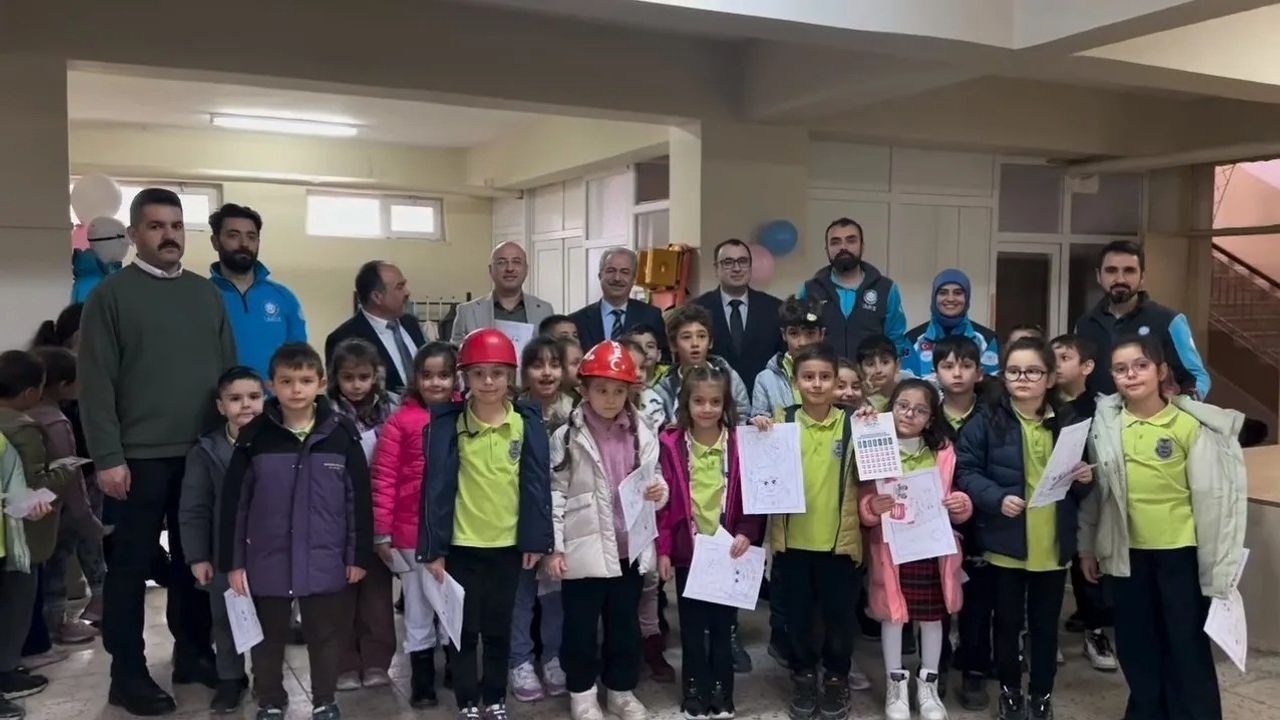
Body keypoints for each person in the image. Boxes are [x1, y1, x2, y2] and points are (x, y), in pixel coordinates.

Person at [79, 188, 235, 714]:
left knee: (195, 562)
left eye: (176, 225)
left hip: (201, 453)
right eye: (156, 226)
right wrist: (107, 457)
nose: (169, 235)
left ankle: (193, 654)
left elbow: (228, 371)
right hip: (137, 458)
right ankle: (127, 674)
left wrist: (232, 441)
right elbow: (95, 382)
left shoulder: (205, 294)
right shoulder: (111, 297)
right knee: (130, 569)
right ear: (133, 234)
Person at [1079, 335, 1246, 720]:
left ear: (1161, 371)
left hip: (1180, 553)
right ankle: (1147, 710)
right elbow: (1098, 494)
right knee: (1137, 643)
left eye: (1140, 366)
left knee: (1185, 642)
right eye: (1120, 369)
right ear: (1112, 377)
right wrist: (1088, 546)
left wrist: (1220, 559)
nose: (1131, 375)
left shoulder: (1188, 425)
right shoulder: (1107, 426)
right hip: (1126, 553)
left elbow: (1212, 498)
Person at [219, 343, 373, 720]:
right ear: (272, 385)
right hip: (266, 561)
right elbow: (235, 505)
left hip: (325, 559)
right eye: (286, 381)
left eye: (305, 380)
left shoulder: (341, 433)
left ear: (321, 383)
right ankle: (270, 698)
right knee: (268, 638)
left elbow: (358, 501)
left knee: (325, 635)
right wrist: (234, 563)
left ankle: (324, 698)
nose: (296, 389)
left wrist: (357, 556)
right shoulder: (254, 436)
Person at [419, 329, 554, 720]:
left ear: (510, 375)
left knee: (499, 628)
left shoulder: (525, 423)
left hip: (507, 547)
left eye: (497, 373)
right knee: (463, 631)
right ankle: (466, 700)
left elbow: (536, 486)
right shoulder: (450, 425)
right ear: (465, 377)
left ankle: (495, 697)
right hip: (462, 546)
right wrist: (434, 550)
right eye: (478, 374)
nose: (489, 382)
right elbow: (435, 491)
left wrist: (536, 540)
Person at [956, 338, 1094, 720]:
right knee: (1006, 624)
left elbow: (1082, 482)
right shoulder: (987, 419)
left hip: (1052, 544)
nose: (1023, 378)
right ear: (1003, 376)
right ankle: (1010, 692)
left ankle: (1042, 695)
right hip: (1006, 543)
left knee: (1045, 628)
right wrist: (996, 498)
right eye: (1014, 371)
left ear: (1049, 378)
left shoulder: (1068, 420)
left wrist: (1085, 478)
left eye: (1033, 371)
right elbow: (966, 471)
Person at [545, 341, 668, 720]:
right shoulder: (567, 437)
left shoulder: (642, 432)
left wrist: (659, 492)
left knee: (624, 626)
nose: (611, 399)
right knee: (580, 627)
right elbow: (555, 494)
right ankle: (582, 693)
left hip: (628, 548)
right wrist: (555, 547)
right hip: (584, 550)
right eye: (601, 390)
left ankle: (620, 689)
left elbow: (655, 477)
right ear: (584, 389)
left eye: (619, 390)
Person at [750, 343, 863, 720]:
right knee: (796, 619)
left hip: (839, 545)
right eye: (808, 377)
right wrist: (758, 430)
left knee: (839, 620)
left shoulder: (855, 423)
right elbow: (759, 471)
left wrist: (872, 422)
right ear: (795, 382)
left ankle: (836, 678)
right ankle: (803, 674)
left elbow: (877, 474)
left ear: (836, 381)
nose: (817, 384)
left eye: (825, 377)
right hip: (792, 544)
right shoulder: (780, 422)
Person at [858, 379, 972, 720]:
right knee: (893, 616)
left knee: (933, 617)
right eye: (902, 406)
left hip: (932, 549)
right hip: (891, 549)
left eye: (920, 410)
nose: (909, 414)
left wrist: (960, 504)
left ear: (931, 418)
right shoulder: (875, 444)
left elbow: (958, 495)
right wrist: (870, 507)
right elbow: (862, 496)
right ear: (890, 407)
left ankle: (928, 686)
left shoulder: (943, 452)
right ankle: (895, 686)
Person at [655, 364, 764, 720]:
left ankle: (721, 691)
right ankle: (693, 689)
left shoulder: (739, 443)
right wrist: (664, 551)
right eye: (699, 401)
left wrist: (747, 531)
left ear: (725, 404)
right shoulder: (670, 444)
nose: (707, 409)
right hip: (689, 555)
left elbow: (753, 493)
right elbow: (663, 506)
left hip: (728, 552)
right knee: (691, 627)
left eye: (715, 402)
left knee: (722, 626)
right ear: (686, 403)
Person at [371, 341, 459, 709]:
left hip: (456, 531)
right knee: (419, 606)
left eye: (444, 375)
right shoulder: (400, 423)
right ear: (415, 378)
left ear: (456, 378)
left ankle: (456, 663)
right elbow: (384, 478)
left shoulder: (465, 417)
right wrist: (383, 531)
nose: (435, 383)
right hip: (410, 534)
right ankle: (421, 676)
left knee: (452, 601)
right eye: (427, 375)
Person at [179, 366, 265, 714]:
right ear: (220, 406)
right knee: (226, 618)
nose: (246, 405)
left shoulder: (280, 441)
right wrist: (198, 556)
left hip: (270, 551)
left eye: (254, 397)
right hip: (224, 552)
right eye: (235, 398)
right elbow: (194, 507)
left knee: (270, 618)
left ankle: (267, 677)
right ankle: (230, 677)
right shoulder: (206, 451)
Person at [0, 350, 76, 705]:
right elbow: (31, 486)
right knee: (17, 603)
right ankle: (6, 671)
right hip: (19, 535)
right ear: (32, 392)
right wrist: (65, 471)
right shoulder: (23, 428)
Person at [325, 339, 396, 691]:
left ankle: (377, 661)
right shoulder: (324, 413)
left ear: (376, 376)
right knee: (340, 592)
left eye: (363, 377)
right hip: (338, 513)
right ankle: (344, 664)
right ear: (335, 377)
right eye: (348, 377)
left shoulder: (391, 409)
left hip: (379, 511)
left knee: (377, 593)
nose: (356, 385)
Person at [930, 335, 992, 711]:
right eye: (948, 365)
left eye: (966, 365)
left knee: (978, 600)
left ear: (979, 373)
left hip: (981, 522)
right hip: (934, 522)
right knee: (935, 598)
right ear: (935, 372)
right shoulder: (927, 416)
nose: (957, 373)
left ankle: (974, 670)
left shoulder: (993, 415)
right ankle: (934, 667)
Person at [1048, 334, 1117, 673]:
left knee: (1088, 569)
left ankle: (1095, 631)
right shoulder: (1043, 404)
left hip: (1089, 498)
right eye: (1053, 357)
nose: (1056, 364)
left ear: (1087, 366)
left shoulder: (1102, 408)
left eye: (1065, 357)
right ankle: (1045, 636)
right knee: (1049, 570)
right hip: (1051, 499)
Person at [507, 338, 571, 703]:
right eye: (537, 364)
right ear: (524, 371)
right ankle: (520, 660)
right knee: (521, 597)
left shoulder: (576, 412)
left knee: (555, 596)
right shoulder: (513, 412)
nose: (546, 373)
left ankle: (553, 658)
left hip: (562, 519)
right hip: (520, 518)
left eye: (554, 364)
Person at [25, 347, 100, 646]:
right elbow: (70, 474)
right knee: (58, 563)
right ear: (63, 385)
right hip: (57, 509)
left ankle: (45, 628)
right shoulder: (56, 422)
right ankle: (57, 625)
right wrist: (86, 517)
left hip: (29, 507)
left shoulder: (22, 414)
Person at [1075, 240, 1210, 400]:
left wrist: (1182, 405)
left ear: (1142, 277)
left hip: (1153, 414)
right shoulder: (1084, 324)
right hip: (1096, 414)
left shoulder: (1169, 321)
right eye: (1111, 271)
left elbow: (1198, 377)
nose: (1120, 279)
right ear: (1099, 276)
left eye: (1129, 271)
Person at [207, 203, 306, 380]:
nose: (244, 243)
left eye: (251, 237)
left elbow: (299, 359)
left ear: (258, 242)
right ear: (215, 242)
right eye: (233, 235)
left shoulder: (284, 297)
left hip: (274, 397)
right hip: (218, 396)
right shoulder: (201, 295)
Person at [0, 430, 56, 720]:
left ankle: (4, 674)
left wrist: (30, 505)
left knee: (13, 607)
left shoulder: (0, 441)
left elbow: (14, 485)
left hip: (4, 544)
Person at [798, 218, 908, 360]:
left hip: (871, 372)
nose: (843, 247)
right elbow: (799, 337)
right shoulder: (810, 290)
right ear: (827, 249)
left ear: (862, 246)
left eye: (851, 241)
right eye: (835, 242)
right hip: (824, 372)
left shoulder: (886, 289)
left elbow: (896, 341)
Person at [692, 239, 785, 395]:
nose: (737, 268)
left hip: (764, 400)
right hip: (712, 398)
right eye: (728, 262)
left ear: (750, 266)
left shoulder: (774, 308)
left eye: (742, 261)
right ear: (716, 268)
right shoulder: (696, 309)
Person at [325, 261, 425, 395]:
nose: (407, 292)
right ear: (377, 297)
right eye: (400, 287)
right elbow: (340, 395)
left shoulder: (410, 323)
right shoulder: (344, 338)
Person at [655, 305, 751, 427]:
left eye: (701, 336)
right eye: (686, 337)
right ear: (673, 345)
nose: (695, 343)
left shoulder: (729, 377)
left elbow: (742, 418)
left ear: (710, 342)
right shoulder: (664, 389)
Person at [568, 248, 668, 359]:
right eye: (611, 271)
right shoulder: (577, 320)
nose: (617, 278)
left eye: (625, 272)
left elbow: (664, 359)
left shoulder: (651, 316)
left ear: (634, 278)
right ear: (600, 276)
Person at [903, 269, 999, 380]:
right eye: (943, 293)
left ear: (967, 297)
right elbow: (907, 384)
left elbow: (992, 385)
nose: (950, 299)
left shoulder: (987, 339)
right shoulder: (913, 339)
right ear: (934, 297)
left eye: (958, 293)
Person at [451, 242, 555, 344]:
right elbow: (456, 352)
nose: (510, 268)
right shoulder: (468, 312)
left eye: (516, 262)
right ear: (490, 270)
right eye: (501, 262)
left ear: (526, 269)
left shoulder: (544, 310)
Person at [752, 296, 825, 419]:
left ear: (821, 334)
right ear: (783, 334)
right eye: (794, 333)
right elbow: (759, 421)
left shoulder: (838, 374)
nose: (802, 342)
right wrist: (760, 421)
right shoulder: (766, 380)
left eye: (810, 333)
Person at [857, 335, 903, 412]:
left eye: (885, 362)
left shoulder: (910, 393)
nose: (878, 370)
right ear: (860, 370)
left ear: (897, 365)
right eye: (870, 364)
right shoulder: (855, 398)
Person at [620, 325, 669, 390]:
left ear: (659, 355)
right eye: (638, 347)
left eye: (650, 346)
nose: (644, 351)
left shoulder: (670, 375)